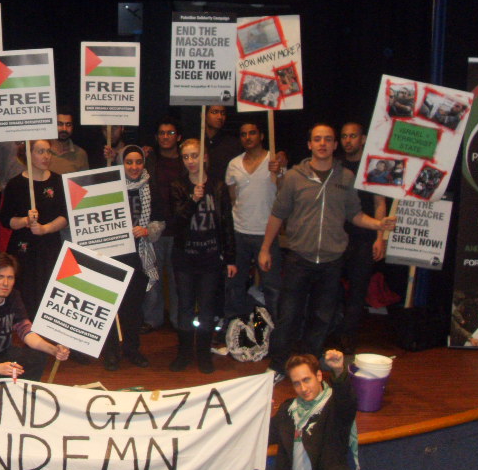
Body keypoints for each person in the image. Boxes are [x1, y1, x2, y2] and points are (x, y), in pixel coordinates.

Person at [259, 125, 395, 378]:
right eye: (317, 139)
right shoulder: (293, 178)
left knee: (322, 319)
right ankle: (277, 366)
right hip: (299, 259)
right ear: (309, 144)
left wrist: (378, 225)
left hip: (332, 262)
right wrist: (265, 248)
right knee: (288, 317)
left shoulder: (345, 178)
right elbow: (277, 215)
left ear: (334, 146)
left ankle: (309, 366)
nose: (323, 143)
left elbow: (354, 214)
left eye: (328, 140)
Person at [169, 138, 236, 373]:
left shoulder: (217, 186)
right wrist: (192, 200)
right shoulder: (178, 185)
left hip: (210, 258)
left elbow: (227, 222)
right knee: (185, 307)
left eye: (195, 155)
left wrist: (230, 257)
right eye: (186, 157)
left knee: (207, 308)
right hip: (185, 258)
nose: (191, 161)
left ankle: (203, 354)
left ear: (205, 157)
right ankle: (185, 352)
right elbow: (176, 223)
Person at [102, 145, 164, 370]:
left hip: (138, 253)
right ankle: (110, 351)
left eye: (139, 162)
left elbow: (161, 219)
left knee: (133, 307)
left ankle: (132, 349)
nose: (134, 167)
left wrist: (148, 230)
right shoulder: (109, 186)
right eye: (129, 162)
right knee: (109, 305)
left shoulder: (151, 187)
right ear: (122, 163)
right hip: (112, 253)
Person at [0, 139, 69, 316]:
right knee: (26, 293)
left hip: (50, 246)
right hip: (24, 249)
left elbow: (65, 216)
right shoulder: (15, 184)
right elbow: (6, 220)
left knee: (49, 291)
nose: (46, 156)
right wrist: (25, 221)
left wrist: (45, 229)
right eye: (40, 151)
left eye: (48, 151)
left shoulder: (58, 181)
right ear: (28, 155)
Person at [224, 120, 283, 323]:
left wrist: (280, 170)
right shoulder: (233, 164)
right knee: (235, 283)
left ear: (262, 136)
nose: (248, 137)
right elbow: (232, 198)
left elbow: (284, 193)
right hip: (239, 232)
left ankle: (274, 330)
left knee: (272, 286)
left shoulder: (275, 161)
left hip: (267, 234)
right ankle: (236, 326)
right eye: (243, 134)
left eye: (252, 133)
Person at [335, 123, 387, 354]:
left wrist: (380, 238)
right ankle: (333, 330)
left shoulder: (374, 166)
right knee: (330, 287)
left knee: (357, 290)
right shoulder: (335, 165)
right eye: (344, 136)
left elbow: (379, 203)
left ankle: (348, 336)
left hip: (365, 237)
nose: (348, 140)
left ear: (363, 139)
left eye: (353, 136)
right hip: (335, 237)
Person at [142, 117, 183, 332]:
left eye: (170, 133)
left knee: (178, 279)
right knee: (152, 276)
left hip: (179, 229)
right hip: (153, 228)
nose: (166, 137)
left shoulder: (186, 161)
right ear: (157, 137)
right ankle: (152, 319)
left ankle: (178, 319)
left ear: (179, 137)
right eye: (162, 133)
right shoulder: (149, 160)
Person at [203, 104, 238, 186]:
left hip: (224, 192)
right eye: (214, 112)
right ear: (203, 115)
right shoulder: (196, 143)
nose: (219, 117)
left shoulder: (233, 144)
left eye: (223, 113)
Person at [49, 108, 89, 175]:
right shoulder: (41, 151)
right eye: (60, 124)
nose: (64, 129)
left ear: (72, 127)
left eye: (68, 125)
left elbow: (84, 183)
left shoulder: (80, 154)